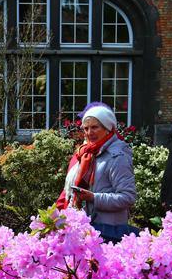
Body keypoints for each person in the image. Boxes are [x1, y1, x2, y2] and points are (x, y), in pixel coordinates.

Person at [56, 103, 136, 242]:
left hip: (108, 233)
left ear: (108, 128)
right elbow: (68, 192)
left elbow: (128, 197)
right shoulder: (84, 153)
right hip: (83, 231)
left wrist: (94, 197)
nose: (89, 132)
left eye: (95, 127)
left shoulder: (118, 156)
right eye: (86, 128)